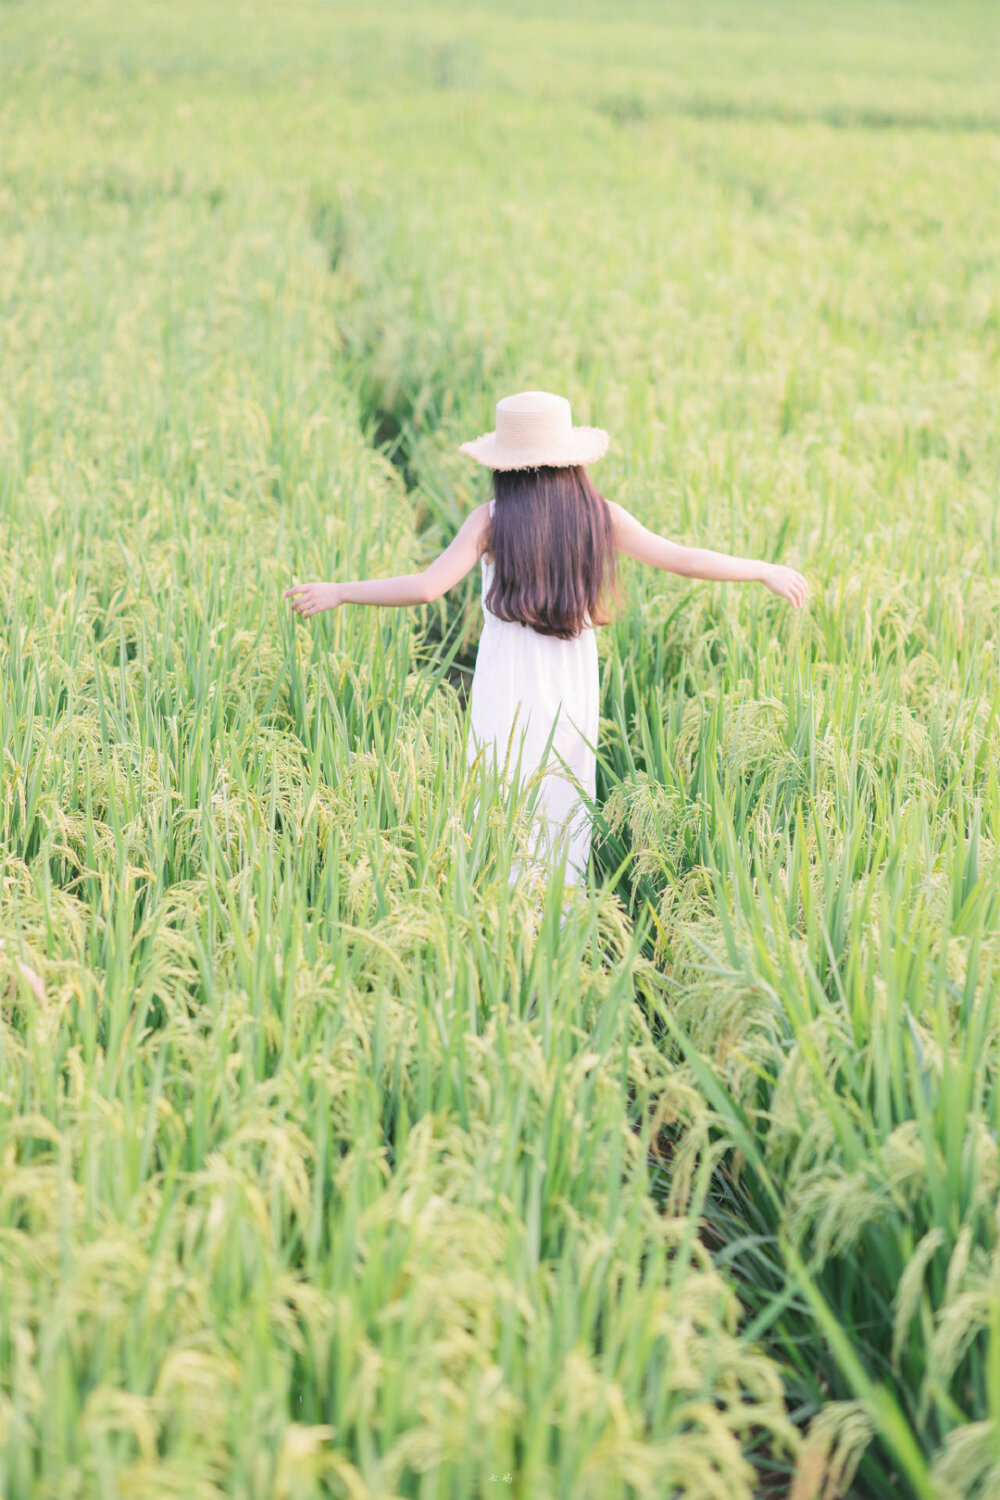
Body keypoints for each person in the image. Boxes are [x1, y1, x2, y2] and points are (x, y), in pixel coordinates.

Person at [284, 389, 809, 888]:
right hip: (568, 690)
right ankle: (561, 923)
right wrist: (761, 568)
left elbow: (427, 588)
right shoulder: (598, 516)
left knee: (500, 803)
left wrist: (341, 591)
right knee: (560, 805)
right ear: (572, 459)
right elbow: (684, 559)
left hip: (507, 688)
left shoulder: (491, 521)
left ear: (504, 466)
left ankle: (501, 921)